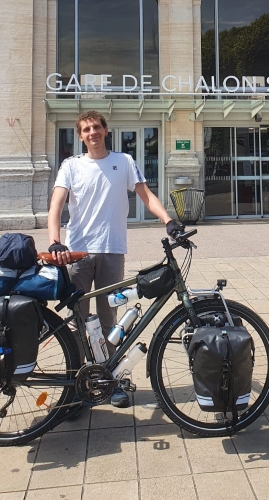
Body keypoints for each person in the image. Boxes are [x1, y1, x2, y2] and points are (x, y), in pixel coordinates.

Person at [47, 110, 179, 408]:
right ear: (80, 136)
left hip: (112, 250)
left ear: (106, 130)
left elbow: (146, 196)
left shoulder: (124, 162)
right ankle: (76, 387)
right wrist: (55, 242)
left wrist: (168, 221)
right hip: (77, 253)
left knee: (109, 321)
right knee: (78, 322)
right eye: (86, 129)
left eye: (96, 127)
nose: (92, 132)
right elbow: (56, 206)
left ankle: (110, 381)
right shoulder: (71, 166)